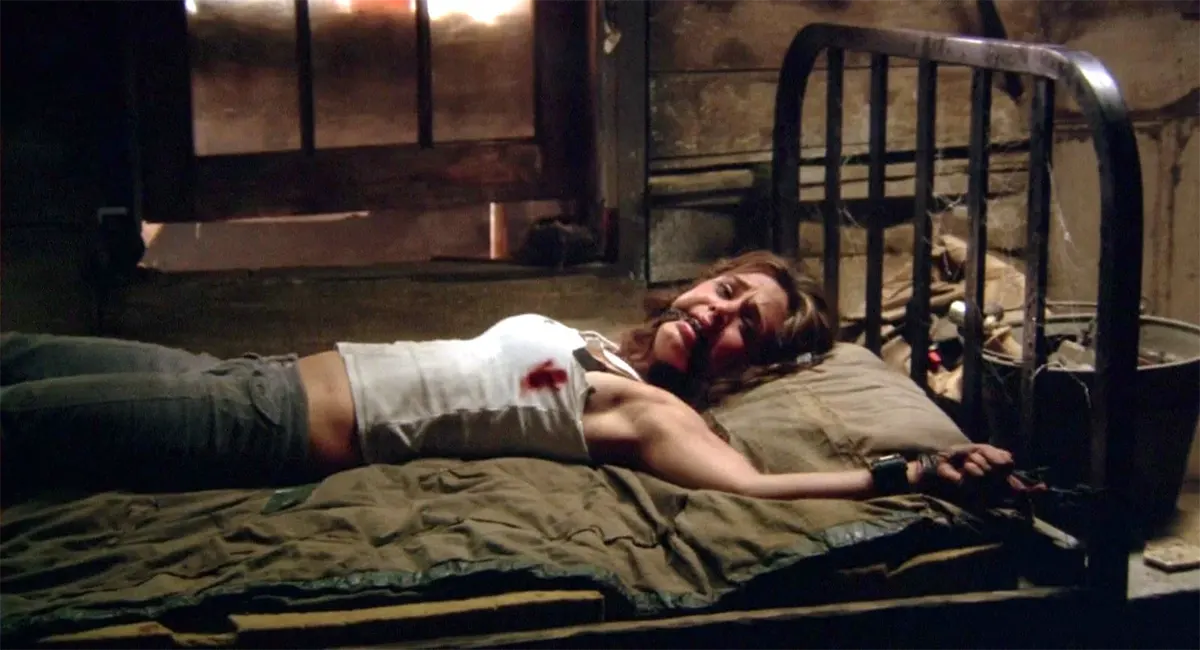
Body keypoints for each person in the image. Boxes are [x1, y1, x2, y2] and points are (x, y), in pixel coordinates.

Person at [0, 250, 1033, 502]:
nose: (717, 311)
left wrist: (907, 473)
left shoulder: (645, 408)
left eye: (744, 326)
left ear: (750, 365)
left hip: (258, 424)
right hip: (241, 375)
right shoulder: (600, 344)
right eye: (725, 290)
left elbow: (756, 487)